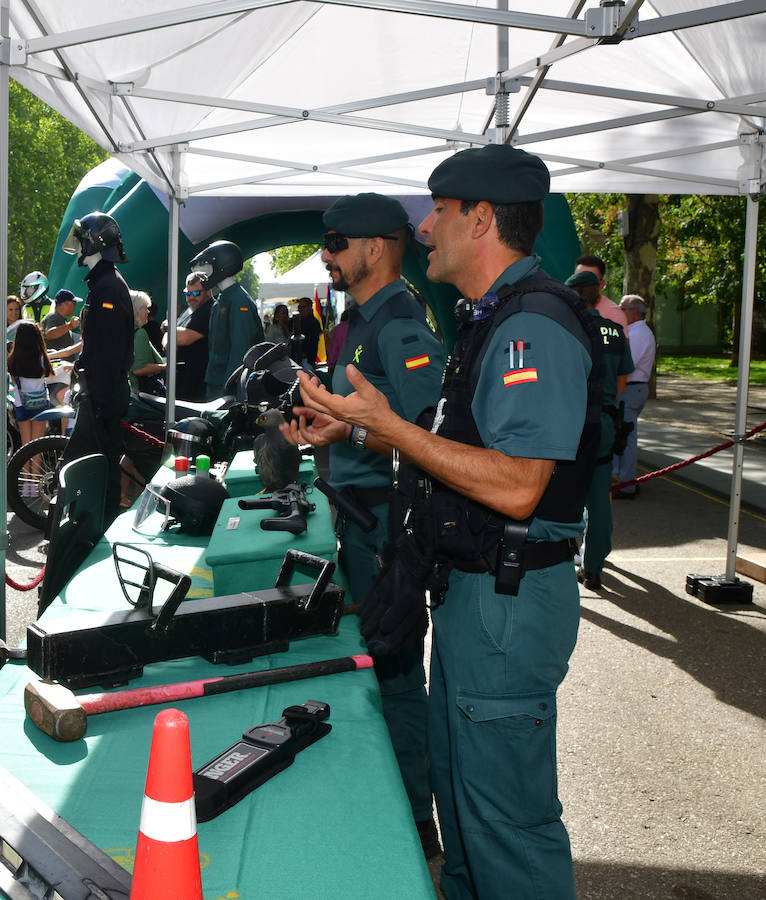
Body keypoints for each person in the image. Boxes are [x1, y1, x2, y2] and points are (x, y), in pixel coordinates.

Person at [289, 144, 599, 900]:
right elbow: (453, 448)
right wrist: (359, 430)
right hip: (475, 592)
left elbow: (521, 485)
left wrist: (388, 430)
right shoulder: (491, 320)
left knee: (506, 828)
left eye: (440, 211)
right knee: (464, 818)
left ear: (482, 219)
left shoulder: (535, 327)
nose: (424, 229)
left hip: (510, 601)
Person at [281, 192, 443, 855]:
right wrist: (334, 428)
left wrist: (352, 430)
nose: (326, 254)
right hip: (361, 518)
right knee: (373, 670)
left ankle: (414, 825)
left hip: (387, 528)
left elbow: (428, 443)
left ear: (376, 248)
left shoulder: (400, 326)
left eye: (338, 243)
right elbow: (380, 429)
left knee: (398, 674)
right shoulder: (360, 320)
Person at [58, 213, 134, 522]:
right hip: (99, 390)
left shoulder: (108, 287)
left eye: (81, 240)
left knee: (98, 463)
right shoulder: (102, 283)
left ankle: (100, 526)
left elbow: (108, 349)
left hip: (103, 392)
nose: (77, 247)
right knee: (93, 463)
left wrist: (94, 393)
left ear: (95, 243)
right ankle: (94, 523)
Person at [566, 270, 633, 590]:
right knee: (599, 498)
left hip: (570, 421)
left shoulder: (568, 328)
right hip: (604, 421)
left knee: (560, 492)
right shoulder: (616, 331)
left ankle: (558, 562)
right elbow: (622, 382)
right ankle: (593, 567)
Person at [194, 240, 263, 397]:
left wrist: (230, 389)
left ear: (221, 266)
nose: (204, 274)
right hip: (217, 382)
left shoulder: (238, 301)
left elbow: (241, 350)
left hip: (227, 387)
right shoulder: (224, 299)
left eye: (208, 267)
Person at [613, 293, 655, 499]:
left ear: (634, 312)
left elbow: (628, 364)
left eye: (623, 308)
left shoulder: (638, 334)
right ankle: (620, 479)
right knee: (621, 435)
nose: (620, 312)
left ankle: (627, 484)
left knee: (626, 436)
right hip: (632, 388)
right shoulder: (637, 332)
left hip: (631, 389)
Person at [8, 321, 54, 496]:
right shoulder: (41, 356)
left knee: (25, 445)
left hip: (21, 405)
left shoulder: (13, 359)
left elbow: (13, 381)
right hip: (40, 405)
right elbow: (49, 374)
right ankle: (35, 484)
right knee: (37, 446)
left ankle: (26, 484)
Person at [166, 273, 212, 401]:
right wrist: (171, 334)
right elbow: (168, 341)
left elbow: (183, 338)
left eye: (197, 293)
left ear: (208, 291)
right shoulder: (190, 310)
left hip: (198, 383)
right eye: (188, 293)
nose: (191, 297)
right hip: (183, 380)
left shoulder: (209, 310)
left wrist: (168, 330)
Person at [573, 254, 629, 328]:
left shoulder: (613, 313)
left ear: (601, 285)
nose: (583, 284)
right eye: (579, 278)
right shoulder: (564, 304)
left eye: (590, 281)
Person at [128, 291, 165, 394]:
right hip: (140, 393)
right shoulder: (140, 333)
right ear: (137, 311)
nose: (148, 312)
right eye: (145, 308)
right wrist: (165, 367)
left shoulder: (125, 330)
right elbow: (139, 369)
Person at [42, 288, 83, 361]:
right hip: (56, 365)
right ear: (64, 303)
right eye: (73, 302)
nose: (75, 305)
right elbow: (49, 334)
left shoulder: (61, 319)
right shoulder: (54, 316)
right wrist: (70, 326)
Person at [289, 295, 324, 368]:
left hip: (306, 361)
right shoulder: (296, 321)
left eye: (303, 307)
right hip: (295, 360)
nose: (300, 309)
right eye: (299, 307)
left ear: (310, 308)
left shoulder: (314, 323)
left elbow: (312, 343)